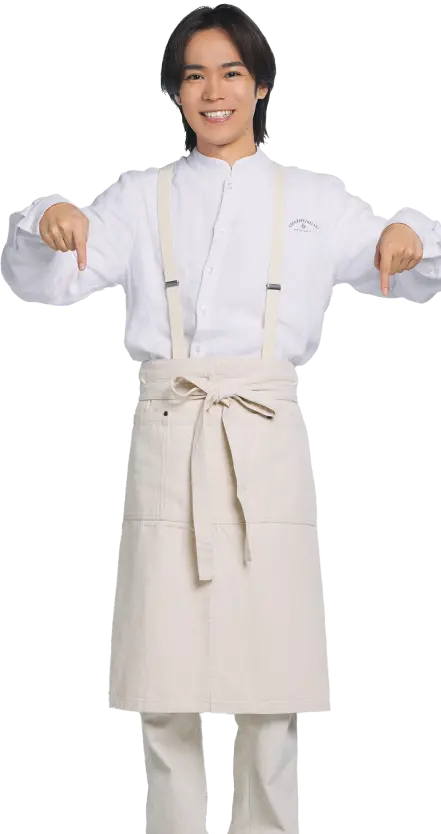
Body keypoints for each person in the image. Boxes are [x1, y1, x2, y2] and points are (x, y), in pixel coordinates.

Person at [2, 5, 440, 834]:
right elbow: (49, 284)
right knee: (165, 674)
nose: (214, 92)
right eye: (194, 75)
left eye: (231, 73)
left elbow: (403, 261)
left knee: (270, 670)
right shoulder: (139, 196)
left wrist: (405, 235)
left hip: (265, 433)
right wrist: (47, 220)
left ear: (260, 84)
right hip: (172, 426)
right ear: (174, 91)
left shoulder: (314, 196)